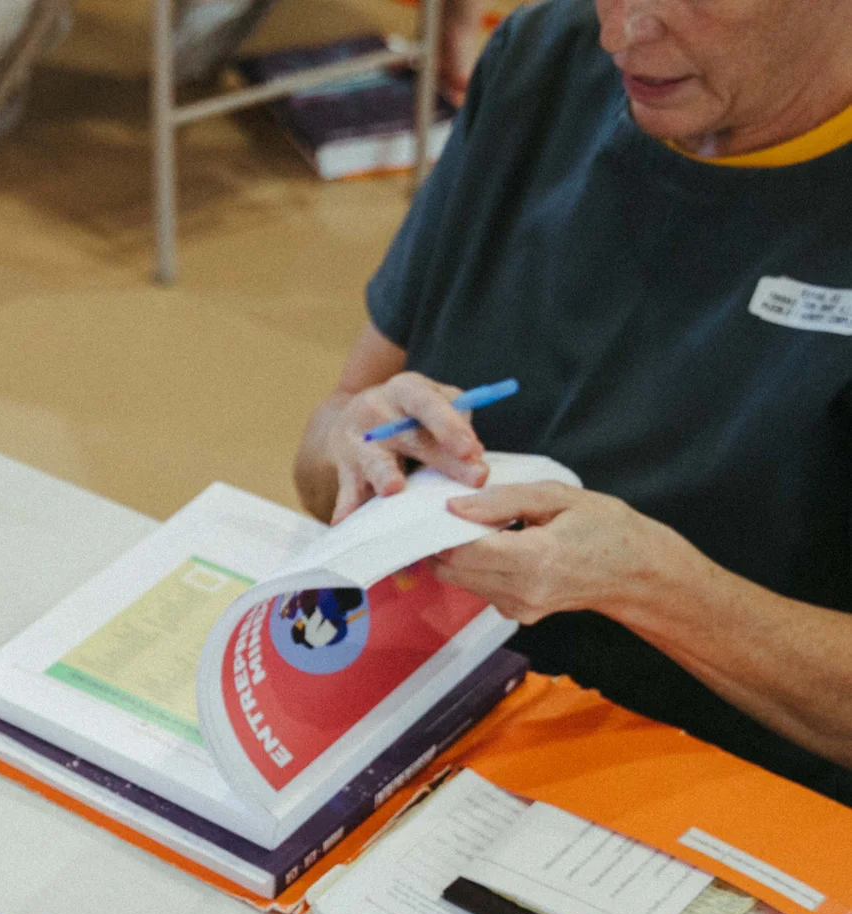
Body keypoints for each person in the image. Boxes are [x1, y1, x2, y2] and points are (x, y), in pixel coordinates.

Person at [293, 0, 852, 802]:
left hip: (715, 790)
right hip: (427, 720)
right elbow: (327, 436)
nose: (621, 33)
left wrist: (659, 591)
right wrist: (355, 446)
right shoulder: (544, 60)